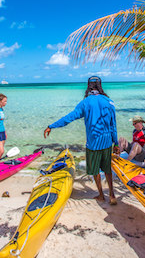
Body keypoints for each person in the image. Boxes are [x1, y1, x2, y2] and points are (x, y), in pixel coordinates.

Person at [44, 76, 118, 205]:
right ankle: (112, 195)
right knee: (107, 170)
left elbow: (69, 117)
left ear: (89, 88)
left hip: (93, 144)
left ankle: (101, 195)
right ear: (100, 87)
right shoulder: (109, 101)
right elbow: (113, 125)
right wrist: (116, 142)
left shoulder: (85, 102)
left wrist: (52, 126)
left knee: (95, 171)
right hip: (107, 142)